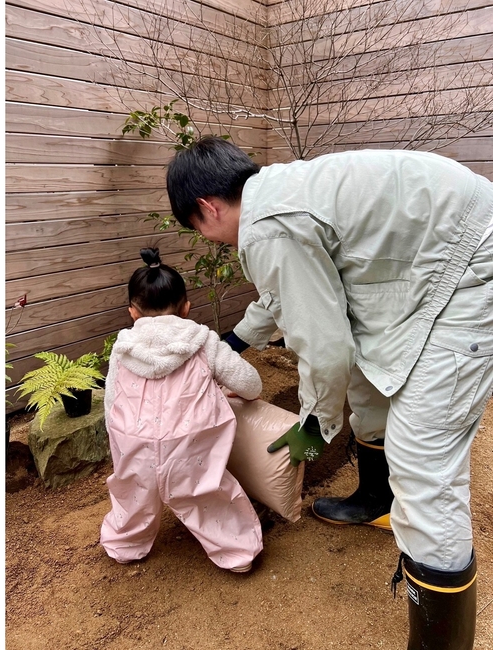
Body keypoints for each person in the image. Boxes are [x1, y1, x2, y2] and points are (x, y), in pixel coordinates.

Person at [166, 136, 493, 649]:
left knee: (425, 466)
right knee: (368, 380)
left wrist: (314, 427)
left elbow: (325, 347)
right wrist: (232, 343)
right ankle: (376, 500)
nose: (209, 240)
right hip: (436, 261)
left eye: (198, 228)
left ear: (207, 207)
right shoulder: (275, 194)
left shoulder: (267, 225)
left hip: (471, 270)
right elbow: (285, 296)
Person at [100, 247, 264, 572]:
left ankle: (125, 545)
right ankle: (238, 554)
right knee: (205, 493)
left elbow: (111, 400)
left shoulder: (123, 349)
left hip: (133, 441)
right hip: (192, 443)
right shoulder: (204, 342)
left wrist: (118, 440)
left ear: (133, 312)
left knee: (133, 493)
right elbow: (250, 383)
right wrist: (233, 391)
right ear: (186, 307)